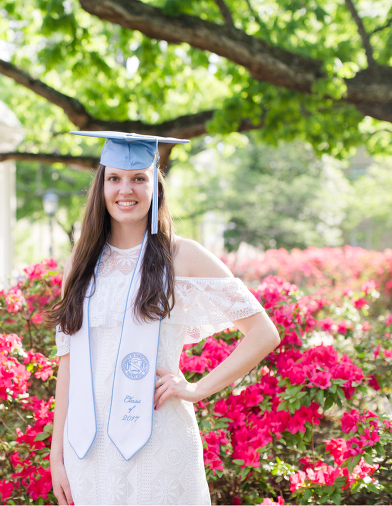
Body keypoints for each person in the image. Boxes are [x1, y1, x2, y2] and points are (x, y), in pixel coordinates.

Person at [48, 131, 281, 505]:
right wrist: (56, 453)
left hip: (159, 439)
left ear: (155, 185)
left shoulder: (182, 255)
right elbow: (68, 361)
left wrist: (197, 388)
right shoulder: (81, 262)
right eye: (115, 179)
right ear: (101, 186)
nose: (126, 189)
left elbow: (263, 333)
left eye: (139, 178)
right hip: (88, 447)